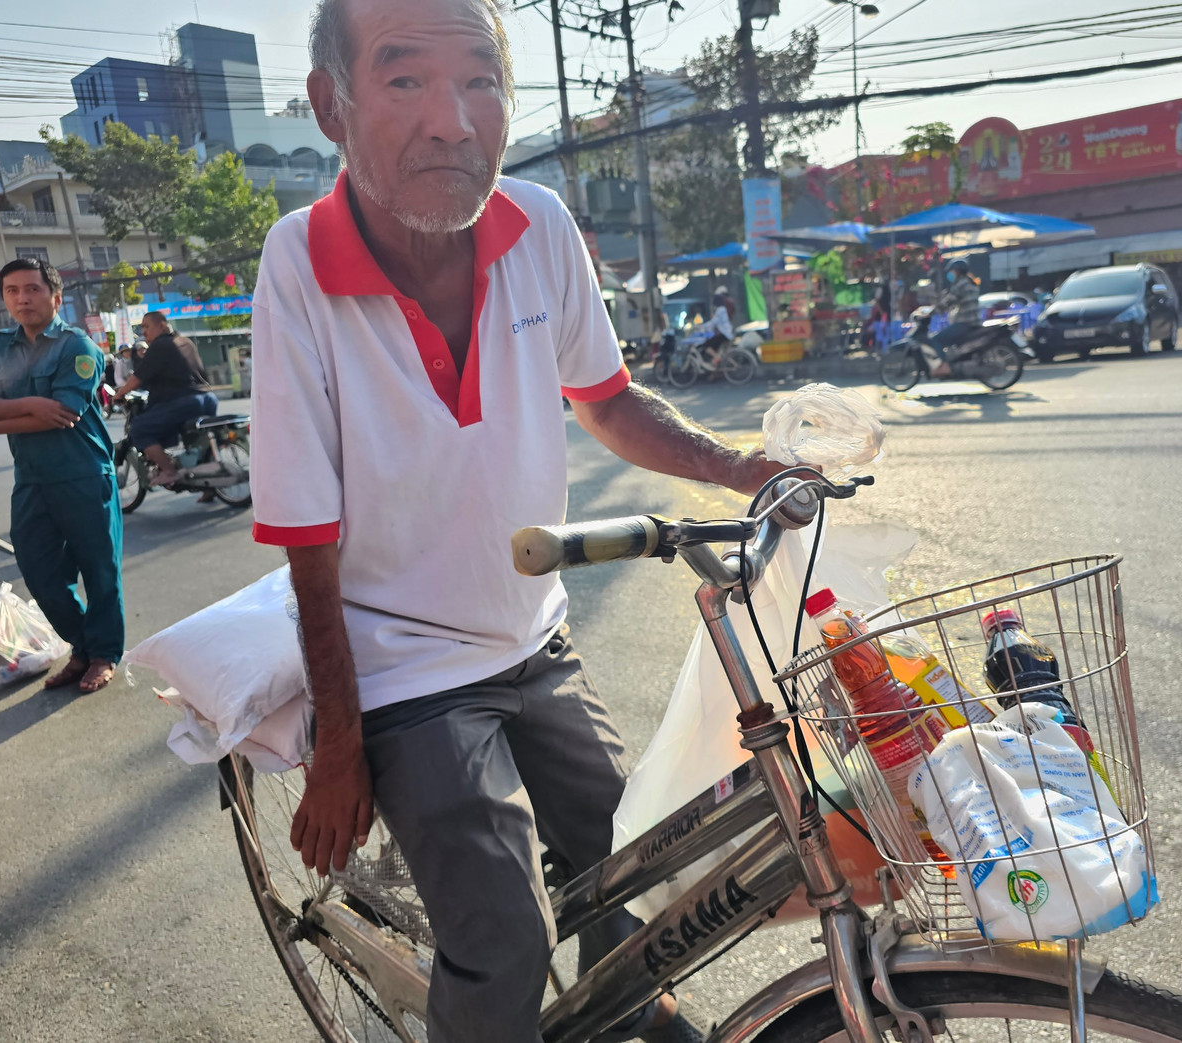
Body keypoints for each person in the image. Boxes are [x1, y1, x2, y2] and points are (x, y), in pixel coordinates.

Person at [250, 1, 787, 1038]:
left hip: (534, 639)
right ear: (332, 104)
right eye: (404, 79)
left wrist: (737, 468)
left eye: (481, 80)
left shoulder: (538, 224)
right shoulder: (297, 260)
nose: (453, 120)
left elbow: (608, 401)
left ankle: (625, 1019)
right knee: (503, 935)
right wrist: (339, 743)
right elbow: (307, 534)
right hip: (402, 666)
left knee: (636, 859)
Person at [0, 257, 124, 694]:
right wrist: (33, 405)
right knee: (38, 570)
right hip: (32, 477)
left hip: (83, 473)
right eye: (13, 291)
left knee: (99, 569)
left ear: (55, 297)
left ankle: (102, 654)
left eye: (33, 289)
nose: (23, 298)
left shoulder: (78, 346)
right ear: (5, 299)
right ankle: (83, 644)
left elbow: (63, 414)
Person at [114, 312, 218, 487]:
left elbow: (138, 377)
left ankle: (169, 471)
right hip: (207, 398)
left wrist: (119, 394)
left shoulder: (160, 345)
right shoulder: (184, 342)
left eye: (147, 326)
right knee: (197, 442)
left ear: (162, 325)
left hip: (184, 401)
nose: (144, 331)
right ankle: (209, 487)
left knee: (139, 429)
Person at [923, 257, 982, 375]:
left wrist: (930, 312)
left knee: (936, 340)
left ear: (957, 271)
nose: (950, 274)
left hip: (964, 323)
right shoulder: (971, 283)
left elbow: (948, 302)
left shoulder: (960, 284)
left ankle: (944, 366)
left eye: (952, 271)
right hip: (974, 322)